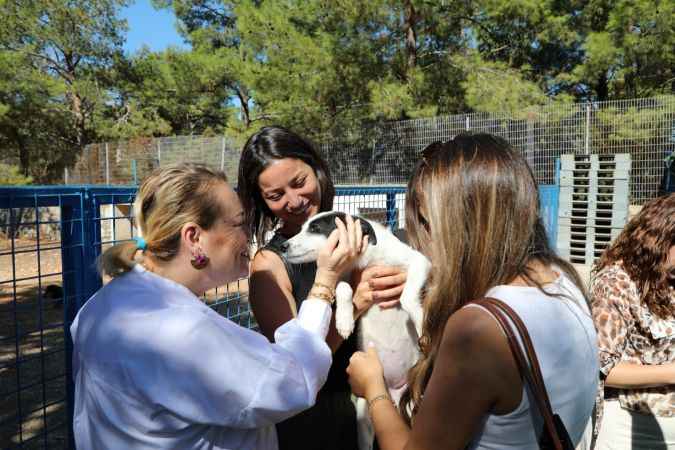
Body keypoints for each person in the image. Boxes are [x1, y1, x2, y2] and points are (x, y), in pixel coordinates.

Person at [70, 163, 367, 450]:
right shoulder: (183, 332)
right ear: (194, 238)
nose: (248, 235)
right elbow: (294, 383)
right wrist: (325, 281)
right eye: (239, 223)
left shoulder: (101, 306)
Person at [346, 133, 599, 450]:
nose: (421, 242)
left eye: (426, 221)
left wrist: (374, 389)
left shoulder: (477, 330)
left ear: (458, 225)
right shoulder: (563, 279)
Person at [237, 125, 407, 450]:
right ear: (261, 200)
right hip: (321, 419)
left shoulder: (358, 232)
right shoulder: (268, 266)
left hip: (383, 403)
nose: (295, 201)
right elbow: (293, 367)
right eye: (276, 195)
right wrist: (357, 301)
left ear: (317, 169)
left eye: (300, 183)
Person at [591, 193, 675, 449]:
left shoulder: (670, 279)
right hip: (632, 429)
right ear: (660, 239)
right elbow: (602, 368)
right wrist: (671, 374)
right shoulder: (616, 282)